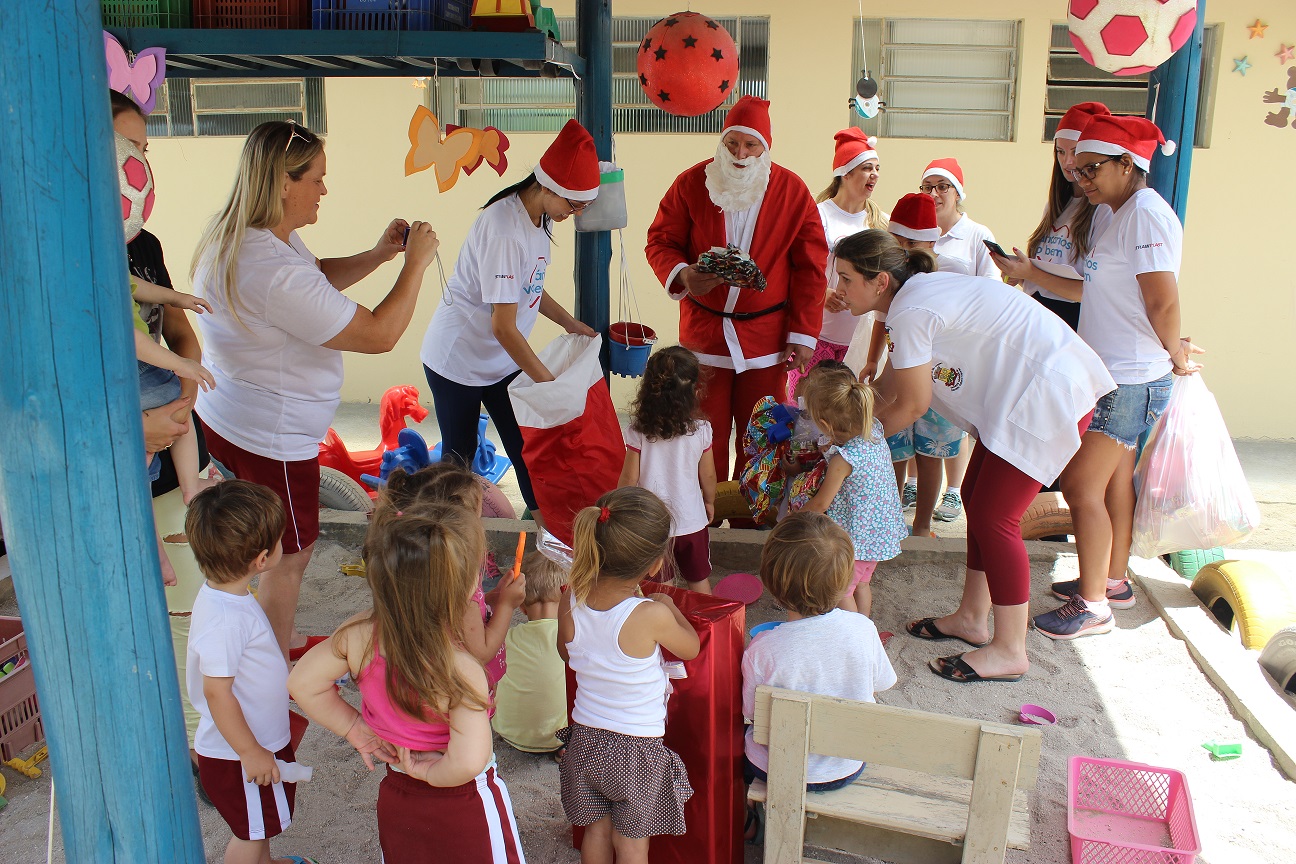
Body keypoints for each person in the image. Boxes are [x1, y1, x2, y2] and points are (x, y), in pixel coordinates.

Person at [192, 119, 440, 659]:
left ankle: (269, 634)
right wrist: (416, 265)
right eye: (318, 179)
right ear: (284, 182)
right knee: (288, 556)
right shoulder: (270, 268)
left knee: (266, 547)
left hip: (234, 417)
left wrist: (379, 256)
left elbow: (316, 275)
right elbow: (378, 334)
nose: (325, 190)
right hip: (270, 434)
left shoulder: (249, 238)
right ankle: (271, 663)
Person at [834, 229, 1114, 682]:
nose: (838, 289)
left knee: (996, 517)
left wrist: (849, 448)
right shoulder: (909, 302)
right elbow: (887, 386)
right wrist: (845, 427)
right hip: (1022, 394)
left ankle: (1010, 649)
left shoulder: (912, 308)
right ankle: (971, 617)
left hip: (1047, 393)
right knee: (976, 499)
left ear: (880, 281)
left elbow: (911, 404)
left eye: (846, 278)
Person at [1032, 115, 1202, 641]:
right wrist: (1028, 273)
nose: (1080, 181)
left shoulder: (1147, 214)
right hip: (1109, 373)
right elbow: (1093, 290)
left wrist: (1176, 354)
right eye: (1077, 170)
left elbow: (1161, 299)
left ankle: (1094, 605)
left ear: (1128, 165)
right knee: (1096, 486)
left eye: (1091, 169)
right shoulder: (1111, 211)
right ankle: (1102, 581)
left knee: (1082, 486)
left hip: (1132, 379)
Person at [288, 504, 526, 863]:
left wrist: (355, 728)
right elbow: (469, 760)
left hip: (396, 788)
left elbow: (303, 683)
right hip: (464, 801)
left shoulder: (359, 635)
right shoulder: (461, 668)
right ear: (466, 592)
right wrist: (430, 771)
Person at [421, 119, 600, 532]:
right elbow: (504, 325)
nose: (572, 216)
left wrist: (572, 323)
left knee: (527, 451)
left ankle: (550, 539)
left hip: (498, 360)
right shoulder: (504, 229)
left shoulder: (539, 219)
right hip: (458, 362)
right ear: (548, 185)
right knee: (459, 463)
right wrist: (544, 380)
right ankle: (456, 550)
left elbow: (531, 288)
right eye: (573, 206)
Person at [113, 88, 218, 790]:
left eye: (143, 155)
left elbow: (172, 326)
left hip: (166, 417)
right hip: (113, 453)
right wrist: (139, 424)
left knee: (187, 603)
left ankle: (191, 747)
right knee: (125, 605)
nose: (138, 171)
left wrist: (184, 383)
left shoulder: (140, 244)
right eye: (126, 154)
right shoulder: (56, 250)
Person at [646, 95, 829, 487]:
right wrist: (683, 275)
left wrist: (803, 334)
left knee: (763, 436)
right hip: (704, 333)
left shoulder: (792, 191)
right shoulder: (692, 183)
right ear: (721, 141)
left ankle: (751, 518)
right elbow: (660, 240)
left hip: (767, 339)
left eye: (751, 145)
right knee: (701, 434)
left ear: (765, 148)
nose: (740, 154)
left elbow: (811, 267)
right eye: (732, 143)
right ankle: (703, 517)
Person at [557, 487, 701, 864]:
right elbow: (691, 648)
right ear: (654, 565)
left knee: (596, 832)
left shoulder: (569, 597)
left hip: (584, 741)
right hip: (636, 750)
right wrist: (669, 606)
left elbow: (565, 652)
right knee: (633, 846)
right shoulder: (650, 615)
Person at [741, 511, 895, 834]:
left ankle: (749, 814)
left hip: (778, 768)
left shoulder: (762, 650)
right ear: (844, 582)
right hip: (847, 763)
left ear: (773, 586)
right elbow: (881, 684)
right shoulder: (863, 630)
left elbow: (752, 715)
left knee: (737, 747)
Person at [184, 481, 312, 864]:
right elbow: (216, 693)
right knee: (249, 833)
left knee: (261, 824)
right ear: (261, 560)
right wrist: (251, 752)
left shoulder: (225, 594)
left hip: (254, 742)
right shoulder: (226, 620)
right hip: (239, 753)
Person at [373, 463, 523, 690]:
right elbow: (481, 652)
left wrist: (492, 598)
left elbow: (452, 618)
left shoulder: (412, 563)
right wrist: (507, 606)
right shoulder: (462, 582)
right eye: (477, 517)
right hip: (464, 690)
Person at [882, 193, 971, 538]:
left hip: (943, 378)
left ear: (933, 239)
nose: (904, 248)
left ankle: (921, 526)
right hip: (902, 371)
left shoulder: (956, 269)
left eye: (912, 241)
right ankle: (890, 519)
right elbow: (881, 321)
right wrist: (875, 361)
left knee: (932, 452)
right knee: (894, 449)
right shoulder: (887, 272)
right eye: (897, 240)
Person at [919, 158, 1001, 523]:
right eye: (928, 187)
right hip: (924, 340)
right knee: (923, 415)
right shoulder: (920, 231)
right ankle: (918, 485)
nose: (934, 194)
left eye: (942, 186)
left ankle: (954, 491)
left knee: (954, 417)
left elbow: (993, 288)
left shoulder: (977, 234)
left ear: (957, 193)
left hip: (960, 346)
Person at [993, 102, 1113, 332]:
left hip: (1076, 326)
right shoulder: (1057, 203)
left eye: (1075, 151)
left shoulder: (1105, 209)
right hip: (1040, 318)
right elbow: (1046, 270)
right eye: (1060, 151)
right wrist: (1018, 273)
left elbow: (1090, 292)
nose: (1068, 162)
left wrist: (1031, 273)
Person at [799, 368, 906, 616]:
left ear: (825, 424)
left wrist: (795, 518)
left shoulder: (843, 459)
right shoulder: (874, 430)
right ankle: (865, 628)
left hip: (855, 541)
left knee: (841, 591)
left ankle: (855, 636)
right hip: (878, 535)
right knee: (861, 584)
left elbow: (820, 503)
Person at [791, 129, 890, 395]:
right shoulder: (817, 215)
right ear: (846, 173)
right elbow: (794, 268)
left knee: (850, 421)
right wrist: (821, 294)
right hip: (818, 334)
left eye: (877, 168)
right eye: (867, 168)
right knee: (808, 414)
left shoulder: (880, 223)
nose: (875, 174)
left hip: (860, 340)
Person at [618, 346, 716, 594]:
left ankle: (665, 629)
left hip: (654, 525)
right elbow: (709, 476)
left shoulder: (638, 431)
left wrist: (622, 509)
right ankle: (708, 626)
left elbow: (629, 478)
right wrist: (710, 501)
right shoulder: (701, 430)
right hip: (692, 521)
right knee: (699, 581)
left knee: (661, 589)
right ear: (695, 390)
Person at [492, 551, 568, 754]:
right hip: (558, 737)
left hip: (509, 733)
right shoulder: (573, 640)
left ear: (522, 608)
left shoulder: (507, 637)